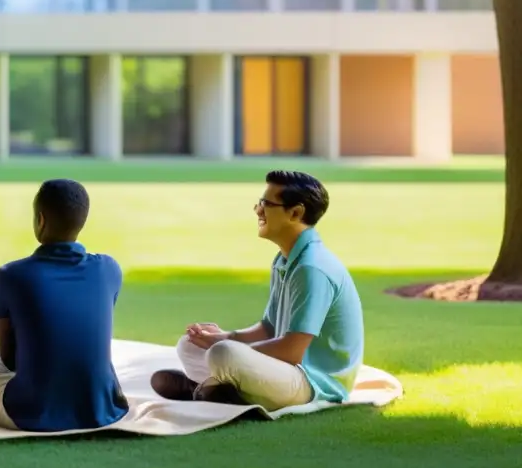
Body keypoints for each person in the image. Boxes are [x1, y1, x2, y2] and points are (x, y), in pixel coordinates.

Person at [151, 170, 364, 411]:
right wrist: (222, 336)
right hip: (285, 371)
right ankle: (214, 390)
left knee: (223, 354)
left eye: (266, 204)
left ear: (296, 213)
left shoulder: (312, 268)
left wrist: (229, 349)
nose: (258, 210)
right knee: (189, 345)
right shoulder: (284, 260)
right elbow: (268, 327)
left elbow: (292, 351)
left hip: (314, 383)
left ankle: (215, 390)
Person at [0, 178, 129, 432]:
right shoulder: (109, 268)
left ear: (40, 220)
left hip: (30, 412)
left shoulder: (10, 274)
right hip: (102, 408)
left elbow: (9, 360)